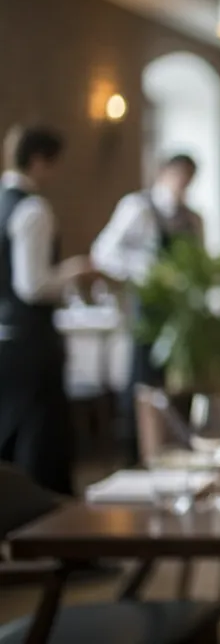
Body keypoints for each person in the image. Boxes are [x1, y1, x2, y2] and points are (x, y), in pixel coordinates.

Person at [91, 154, 203, 465]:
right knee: (142, 383)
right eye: (180, 175)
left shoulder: (191, 219)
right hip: (145, 313)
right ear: (164, 173)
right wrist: (146, 271)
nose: (183, 184)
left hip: (179, 316)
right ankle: (138, 457)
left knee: (178, 389)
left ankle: (175, 455)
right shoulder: (138, 208)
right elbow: (103, 253)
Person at [0, 125, 92, 494]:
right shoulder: (33, 209)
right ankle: (51, 531)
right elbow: (33, 285)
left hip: (3, 340)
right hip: (32, 344)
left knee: (8, 436)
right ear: (39, 161)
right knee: (42, 441)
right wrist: (75, 271)